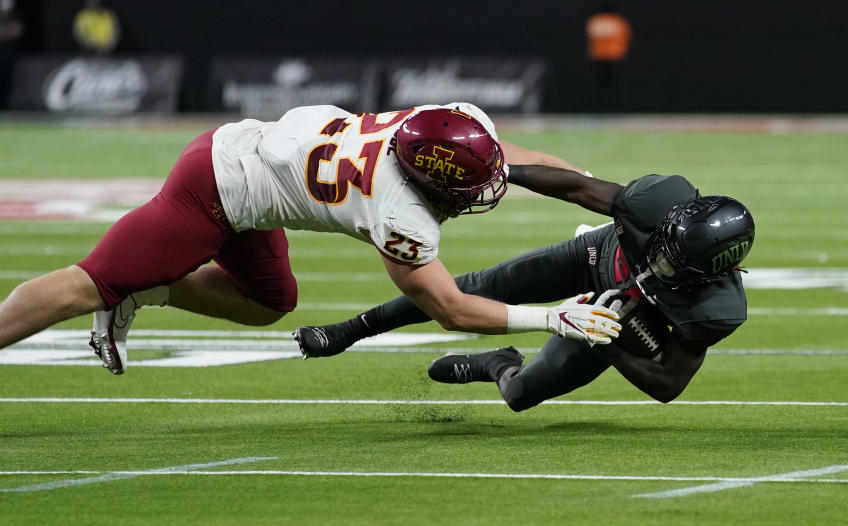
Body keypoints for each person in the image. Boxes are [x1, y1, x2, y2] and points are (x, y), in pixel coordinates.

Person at [0, 104, 622, 445]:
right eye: (473, 185)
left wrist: (601, 191)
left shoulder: (441, 125)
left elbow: (500, 154)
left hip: (259, 180)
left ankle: (147, 286)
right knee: (90, 280)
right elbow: (453, 309)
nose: (488, 188)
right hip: (214, 184)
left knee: (271, 300)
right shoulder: (401, 213)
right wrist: (553, 317)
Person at [295, 166, 755, 411]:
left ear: (710, 275)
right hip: (598, 256)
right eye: (660, 250)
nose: (656, 265)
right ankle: (350, 330)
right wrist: (501, 172)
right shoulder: (656, 202)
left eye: (672, 268)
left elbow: (669, 384)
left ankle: (499, 365)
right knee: (475, 288)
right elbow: (577, 188)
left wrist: (609, 341)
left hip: (618, 321)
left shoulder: (715, 310)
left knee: (520, 397)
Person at [585, 2, 632, 111]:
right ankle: (613, 108)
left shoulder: (596, 21)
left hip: (599, 57)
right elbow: (626, 37)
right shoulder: (618, 22)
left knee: (601, 86)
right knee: (611, 85)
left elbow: (590, 36)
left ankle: (600, 107)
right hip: (614, 57)